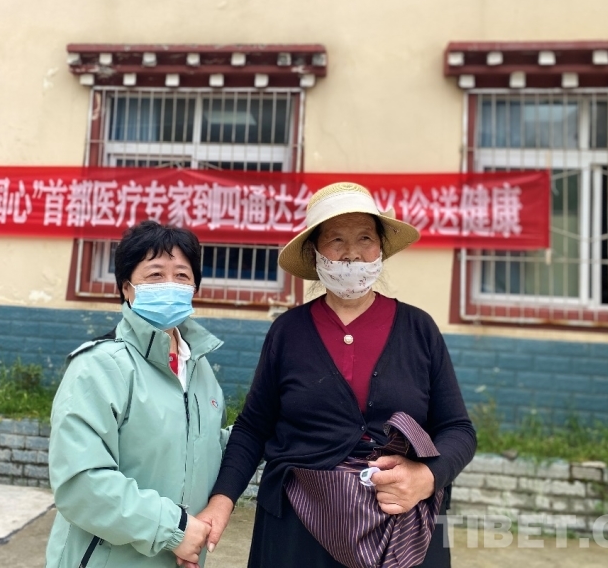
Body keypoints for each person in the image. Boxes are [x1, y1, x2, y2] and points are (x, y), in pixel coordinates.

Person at [197, 182, 477, 568]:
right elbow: (252, 429)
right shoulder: (288, 332)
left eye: (365, 238)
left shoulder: (419, 329)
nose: (352, 253)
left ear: (381, 248)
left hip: (402, 522)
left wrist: (426, 478)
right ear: (315, 253)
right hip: (299, 531)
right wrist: (222, 500)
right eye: (336, 240)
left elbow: (458, 429)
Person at [46, 220, 228, 568]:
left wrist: (265, 432)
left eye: (182, 275)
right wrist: (175, 529)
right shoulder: (100, 367)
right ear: (127, 288)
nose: (170, 284)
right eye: (155, 274)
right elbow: (80, 483)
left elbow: (205, 449)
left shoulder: (199, 367)